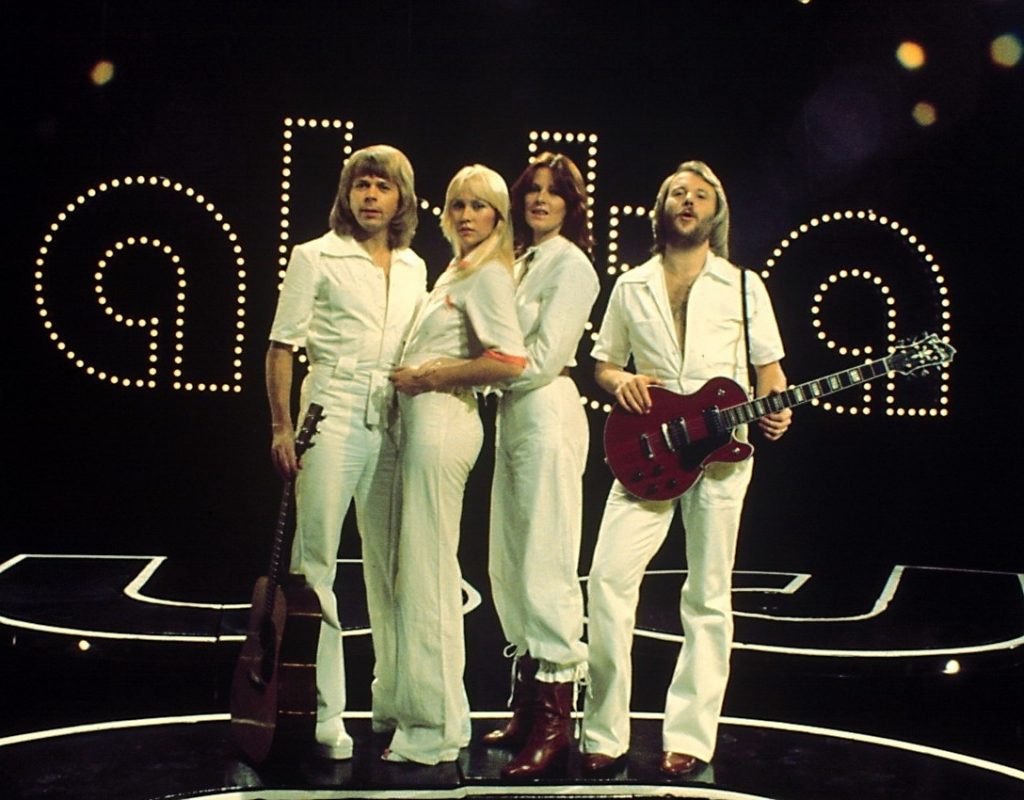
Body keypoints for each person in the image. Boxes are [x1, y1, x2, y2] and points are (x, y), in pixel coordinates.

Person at [580, 161, 792, 777]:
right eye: (678, 192)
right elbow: (603, 363)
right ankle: (604, 732)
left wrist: (777, 410)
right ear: (662, 207)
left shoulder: (744, 286)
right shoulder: (632, 284)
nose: (689, 200)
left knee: (707, 594)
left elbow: (770, 371)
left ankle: (691, 737)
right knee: (607, 580)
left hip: (721, 457)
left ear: (716, 213)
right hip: (648, 451)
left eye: (701, 194)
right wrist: (620, 382)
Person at [265, 144, 426, 760]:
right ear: (346, 192)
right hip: (330, 410)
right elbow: (281, 346)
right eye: (361, 184)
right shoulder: (315, 256)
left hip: (393, 417)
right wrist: (282, 427)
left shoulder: (413, 267)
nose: (370, 196)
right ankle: (324, 711)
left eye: (382, 186)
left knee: (393, 565)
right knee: (317, 565)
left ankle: (391, 699)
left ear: (401, 198)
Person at [385, 164, 528, 765]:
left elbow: (510, 360)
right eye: (457, 204)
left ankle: (433, 729)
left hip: (443, 421)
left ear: (499, 216)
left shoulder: (489, 276)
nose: (466, 215)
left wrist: (432, 377)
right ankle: (425, 714)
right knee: (416, 569)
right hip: (422, 422)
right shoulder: (457, 270)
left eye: (479, 205)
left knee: (428, 572)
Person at [481, 153, 600, 779]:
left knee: (545, 562)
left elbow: (545, 357)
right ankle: (528, 706)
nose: (540, 200)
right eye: (532, 190)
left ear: (570, 205)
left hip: (547, 411)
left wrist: (472, 373)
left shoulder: (571, 265)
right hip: (512, 417)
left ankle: (556, 724)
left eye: (553, 192)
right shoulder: (518, 262)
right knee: (508, 563)